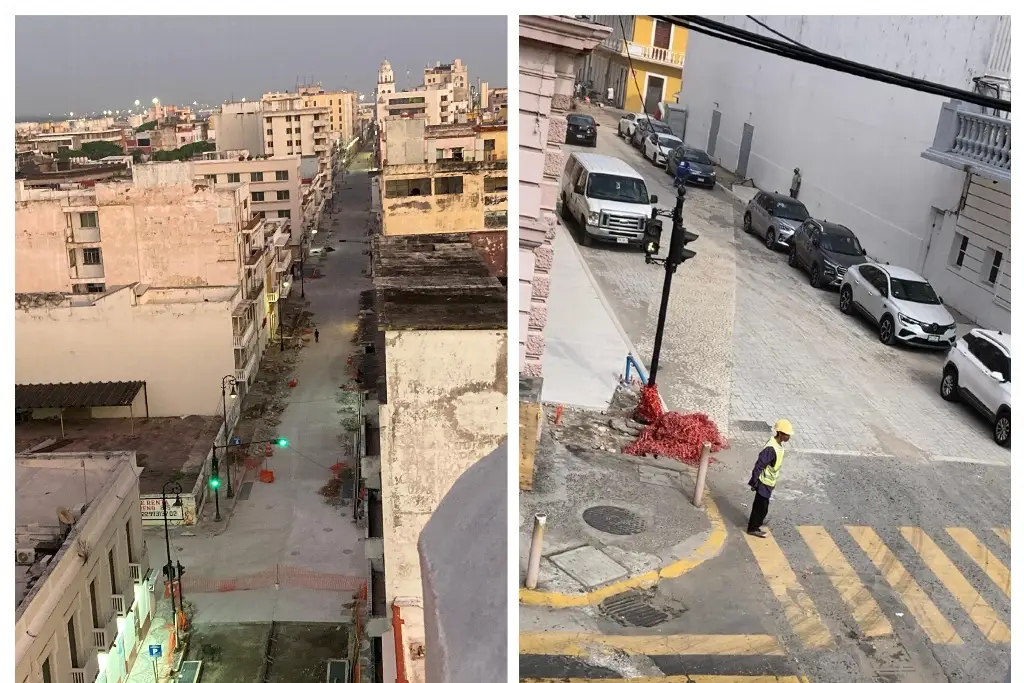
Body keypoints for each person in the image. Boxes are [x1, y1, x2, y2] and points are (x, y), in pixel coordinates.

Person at [747, 418, 793, 538]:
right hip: (763, 483)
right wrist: (754, 482)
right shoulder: (771, 449)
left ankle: (757, 522)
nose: (789, 437)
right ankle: (753, 528)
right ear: (780, 433)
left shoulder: (777, 445)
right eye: (787, 434)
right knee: (760, 507)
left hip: (769, 483)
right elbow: (759, 465)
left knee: (763, 506)